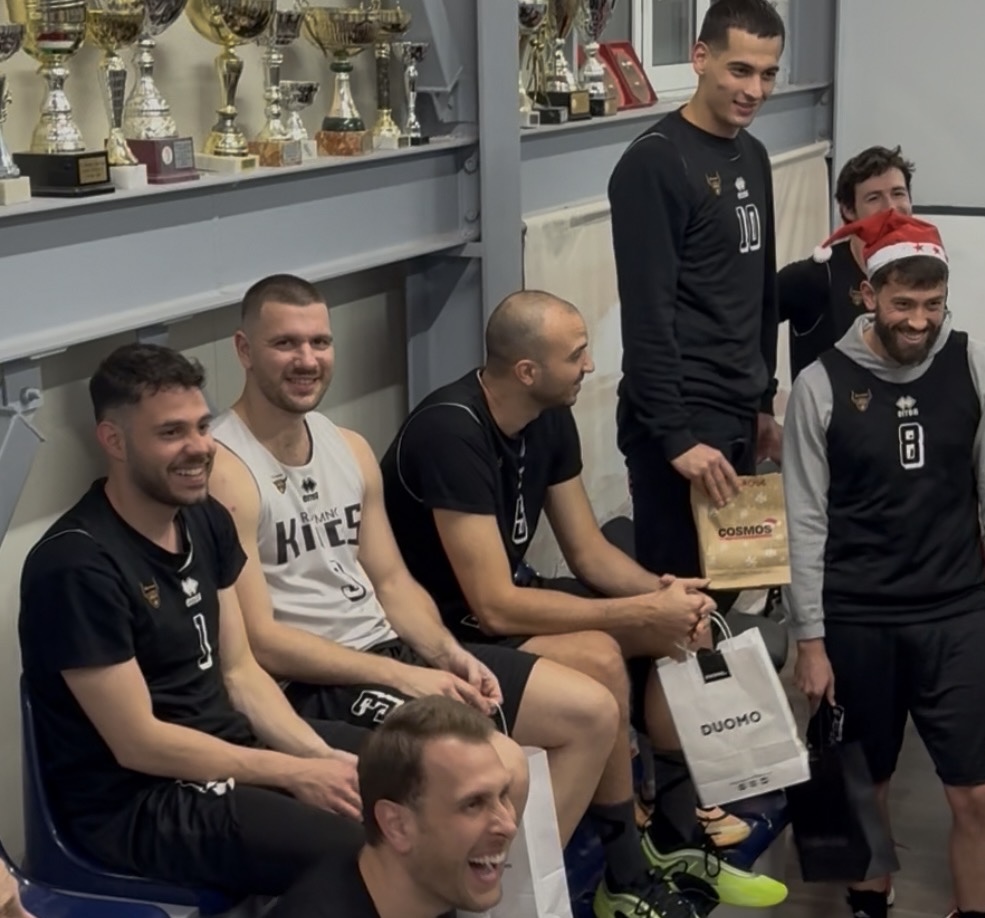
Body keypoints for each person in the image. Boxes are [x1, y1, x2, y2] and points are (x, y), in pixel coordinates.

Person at [380, 289, 789, 918]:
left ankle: (674, 834)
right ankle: (622, 872)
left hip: (500, 603)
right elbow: (494, 607)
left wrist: (665, 597)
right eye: (576, 355)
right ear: (527, 371)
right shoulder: (450, 431)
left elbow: (589, 552)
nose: (590, 366)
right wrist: (634, 614)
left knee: (683, 627)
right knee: (600, 654)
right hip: (440, 631)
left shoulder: (547, 416)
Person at [207, 274, 623, 848]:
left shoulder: (347, 447)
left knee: (592, 712)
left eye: (319, 342)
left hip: (389, 651)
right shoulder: (225, 468)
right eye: (285, 344)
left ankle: (511, 888)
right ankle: (479, 886)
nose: (307, 360)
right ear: (244, 350)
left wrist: (449, 656)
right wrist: (404, 675)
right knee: (499, 764)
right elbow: (264, 643)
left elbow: (393, 582)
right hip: (314, 683)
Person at [17, 344, 366, 899]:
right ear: (114, 441)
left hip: (227, 744)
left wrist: (316, 757)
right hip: (137, 801)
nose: (200, 447)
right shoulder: (76, 566)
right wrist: (291, 773)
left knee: (412, 782)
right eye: (171, 433)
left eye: (202, 426)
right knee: (365, 849)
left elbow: (241, 673)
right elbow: (139, 743)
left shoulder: (204, 518)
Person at [784, 209, 985, 918]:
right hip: (857, 616)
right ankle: (870, 905)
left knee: (977, 793)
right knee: (866, 785)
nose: (919, 320)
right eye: (903, 304)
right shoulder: (821, 385)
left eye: (932, 303)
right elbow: (804, 522)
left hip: (956, 612)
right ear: (868, 295)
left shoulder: (975, 366)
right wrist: (809, 640)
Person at [608, 0, 785, 582]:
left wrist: (763, 402)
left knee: (736, 581)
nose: (755, 90)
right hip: (683, 421)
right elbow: (647, 316)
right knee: (682, 598)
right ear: (700, 58)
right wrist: (675, 436)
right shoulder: (656, 163)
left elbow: (761, 292)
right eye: (741, 70)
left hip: (738, 413)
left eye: (768, 74)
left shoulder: (753, 154)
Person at [265, 696, 519, 918]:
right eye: (473, 804)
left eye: (503, 795)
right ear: (397, 826)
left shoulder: (431, 889)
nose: (509, 826)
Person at [777, 145, 916, 379]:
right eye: (874, 198)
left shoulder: (922, 271)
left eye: (898, 193)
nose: (891, 208)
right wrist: (762, 393)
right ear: (849, 211)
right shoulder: (816, 276)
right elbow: (746, 321)